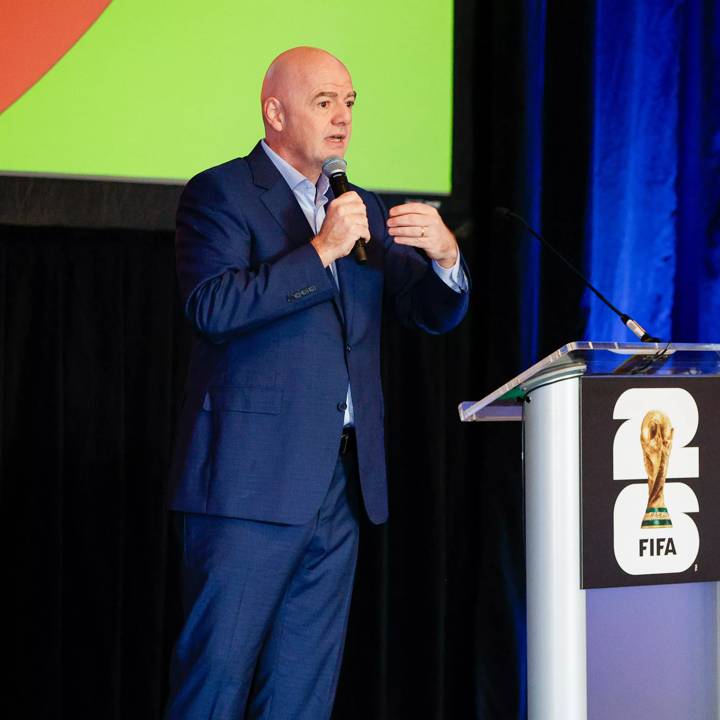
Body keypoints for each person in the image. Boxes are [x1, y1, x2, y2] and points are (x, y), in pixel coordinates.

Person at [165, 46, 469, 719]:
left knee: (302, 693)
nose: (342, 118)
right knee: (213, 684)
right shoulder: (221, 192)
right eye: (324, 101)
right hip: (248, 487)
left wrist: (447, 256)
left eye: (351, 102)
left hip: (341, 486)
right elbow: (212, 308)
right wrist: (320, 251)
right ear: (275, 112)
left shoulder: (357, 205)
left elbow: (425, 308)